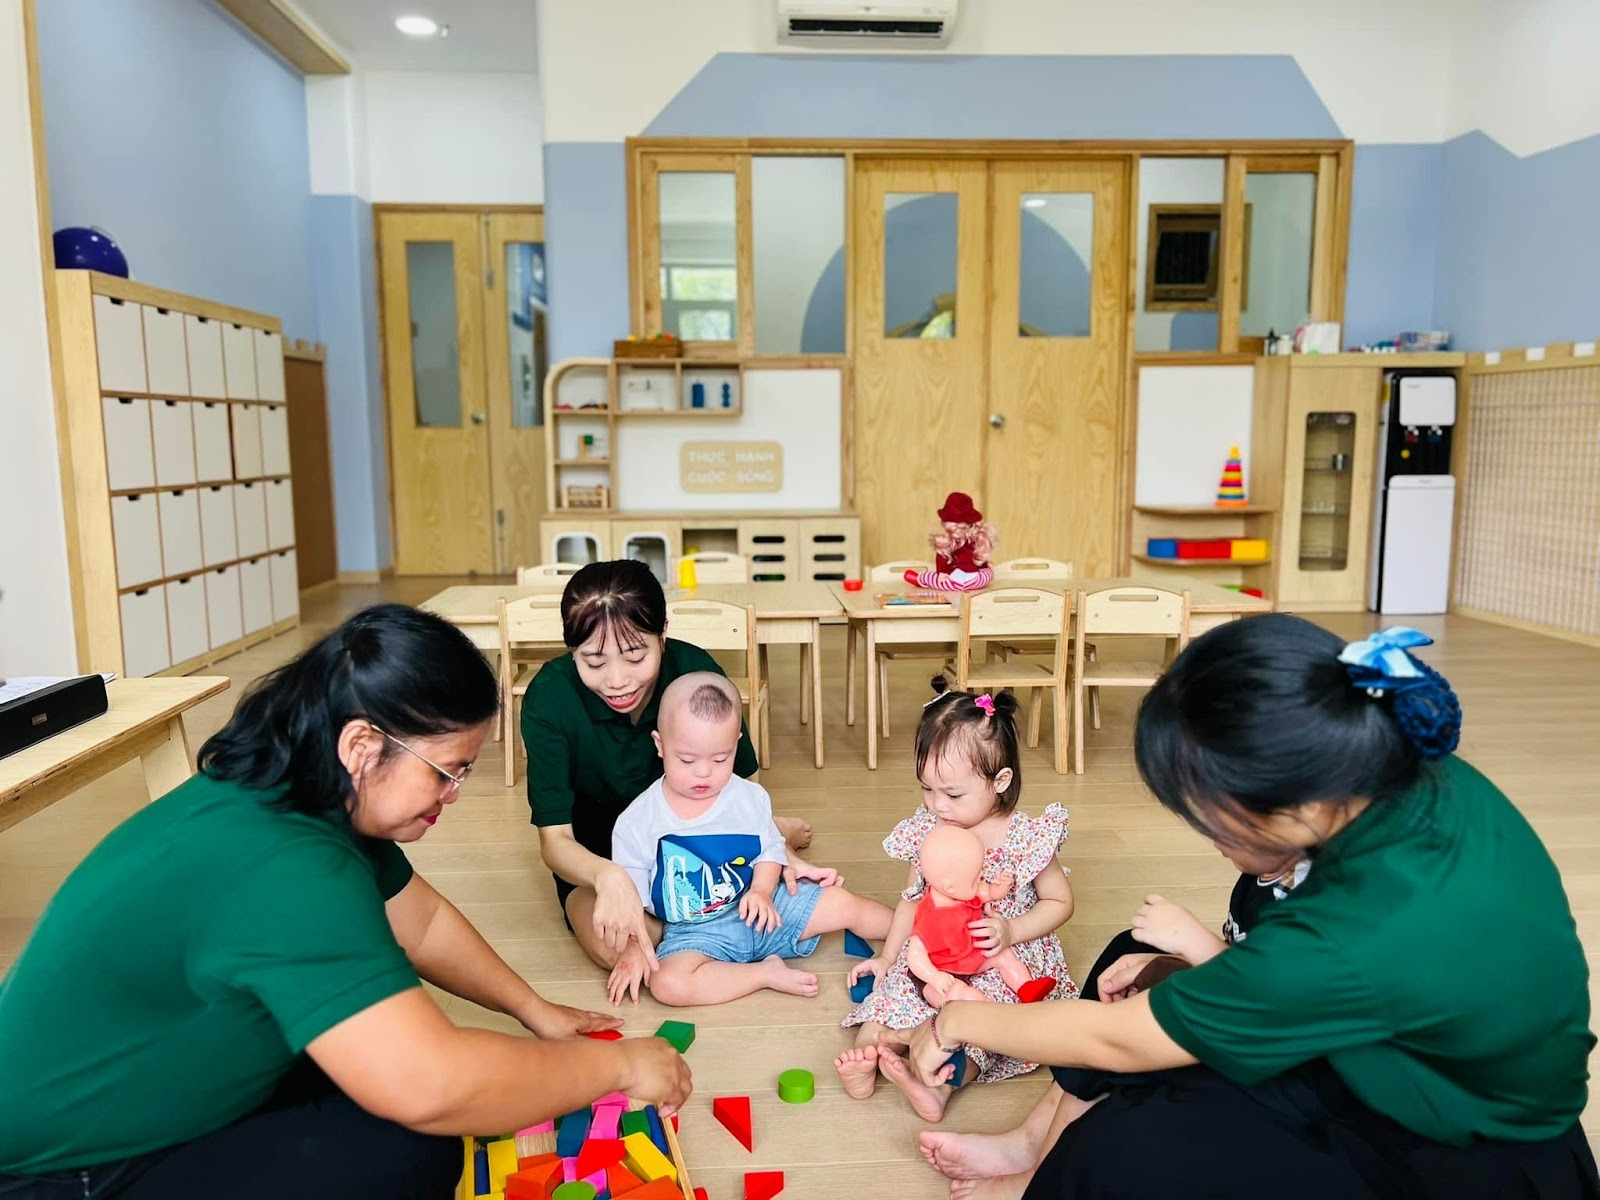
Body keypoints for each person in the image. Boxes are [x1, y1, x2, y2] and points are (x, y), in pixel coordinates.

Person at [888, 618, 1599, 1199]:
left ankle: (1047, 1171)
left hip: (1453, 1154)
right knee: (1132, 961)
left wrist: (954, 1020)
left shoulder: (1360, 926)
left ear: (1290, 804)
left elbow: (1123, 1039)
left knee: (1123, 1151)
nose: (1213, 843)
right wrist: (1186, 965)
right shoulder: (1407, 772)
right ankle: (1032, 1145)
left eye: (1213, 822)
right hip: (1392, 1053)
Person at [0, 605, 690, 1200]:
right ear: (362, 745)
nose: (453, 795)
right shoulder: (283, 866)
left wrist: (533, 1010)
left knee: (386, 1087)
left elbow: (421, 923)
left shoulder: (296, 788)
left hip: (134, 1093)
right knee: (408, 1148)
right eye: (447, 771)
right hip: (64, 1172)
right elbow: (431, 1084)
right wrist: (621, 1065)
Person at [919, 855, 1310, 1195]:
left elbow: (1271, 1011)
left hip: (1278, 1075)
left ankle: (1042, 1176)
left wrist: (1199, 945)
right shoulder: (1272, 868)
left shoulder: (1317, 900)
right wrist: (1172, 960)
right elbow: (1250, 967)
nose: (1213, 832)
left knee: (1131, 1042)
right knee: (1133, 950)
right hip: (1247, 1017)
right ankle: (1033, 1140)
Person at [521, 560, 819, 976]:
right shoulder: (549, 698)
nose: (617, 680)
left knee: (733, 915)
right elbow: (555, 842)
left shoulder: (697, 673)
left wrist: (774, 849)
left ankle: (775, 832)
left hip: (701, 841)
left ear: (663, 633)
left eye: (635, 656)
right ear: (572, 650)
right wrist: (607, 876)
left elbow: (740, 788)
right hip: (600, 855)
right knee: (622, 951)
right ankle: (756, 864)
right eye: (593, 662)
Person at [835, 690, 1076, 1122]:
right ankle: (870, 1054)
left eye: (952, 794)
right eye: (927, 789)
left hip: (998, 957)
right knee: (897, 988)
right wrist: (887, 957)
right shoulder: (931, 828)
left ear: (1000, 781)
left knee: (986, 1016)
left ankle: (939, 1088)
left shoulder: (1025, 836)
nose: (937, 805)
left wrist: (1011, 931)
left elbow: (1060, 902)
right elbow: (911, 901)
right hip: (937, 952)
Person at [606, 673, 893, 1006]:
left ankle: (918, 929)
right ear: (660, 745)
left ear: (736, 744)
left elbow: (769, 850)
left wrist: (761, 891)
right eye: (687, 760)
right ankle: (764, 974)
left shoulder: (749, 798)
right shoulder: (637, 822)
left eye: (720, 759)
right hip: (696, 933)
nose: (704, 772)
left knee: (842, 902)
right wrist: (633, 947)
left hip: (764, 908)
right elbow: (629, 898)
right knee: (667, 984)